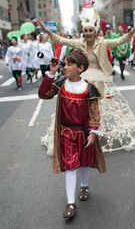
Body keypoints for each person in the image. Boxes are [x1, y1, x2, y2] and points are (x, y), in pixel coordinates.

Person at [38, 3, 135, 154]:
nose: (88, 33)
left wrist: (132, 31)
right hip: (82, 77)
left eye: (91, 30)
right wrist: (46, 31)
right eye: (85, 30)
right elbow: (62, 40)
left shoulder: (103, 42)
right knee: (81, 104)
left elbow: (120, 41)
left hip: (99, 77)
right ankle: (84, 129)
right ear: (83, 31)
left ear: (95, 31)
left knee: (97, 104)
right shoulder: (79, 42)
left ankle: (95, 130)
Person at [38, 49, 106, 219]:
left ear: (80, 68)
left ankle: (84, 186)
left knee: (83, 161)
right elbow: (43, 94)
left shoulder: (89, 88)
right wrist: (51, 73)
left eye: (69, 64)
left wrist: (93, 133)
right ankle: (71, 203)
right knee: (70, 165)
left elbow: (94, 112)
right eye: (65, 63)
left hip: (83, 132)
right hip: (66, 132)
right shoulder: (61, 83)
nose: (65, 67)